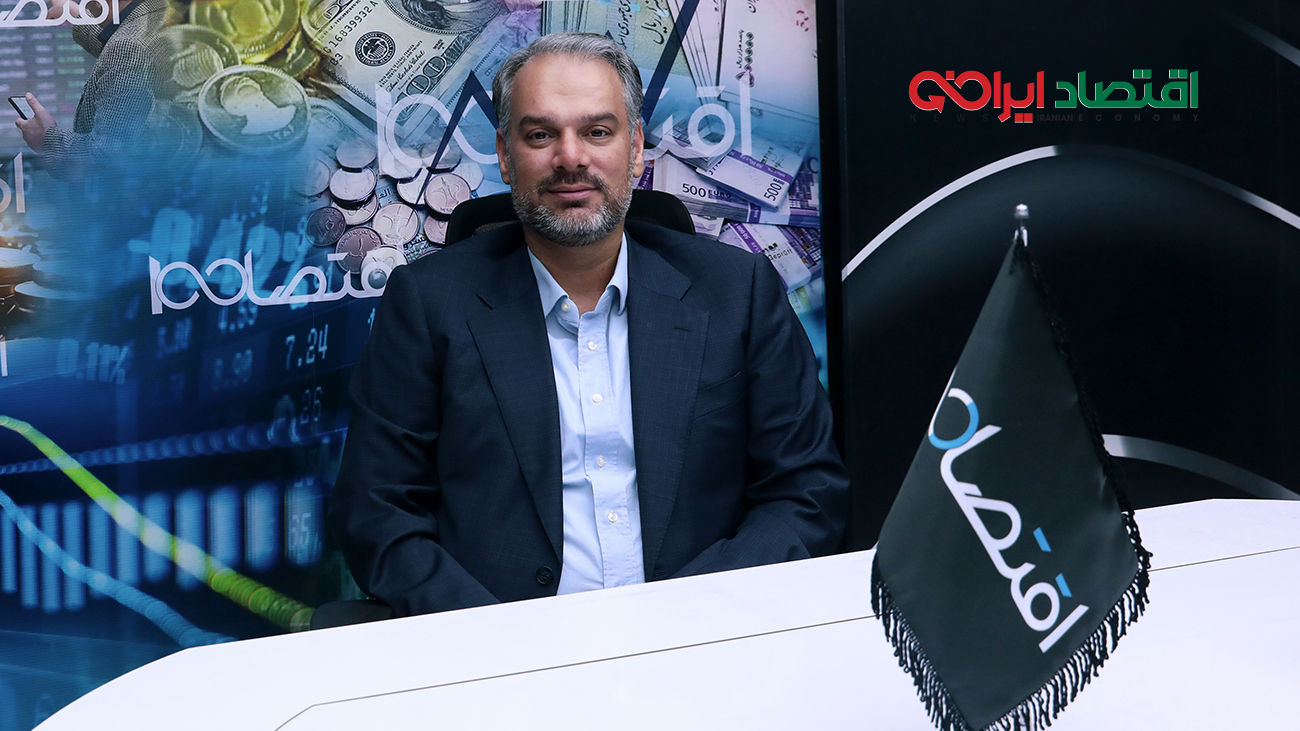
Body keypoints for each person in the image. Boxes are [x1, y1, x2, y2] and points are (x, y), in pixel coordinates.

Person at [328, 32, 848, 617]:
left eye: (598, 132)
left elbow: (806, 492)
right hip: (502, 651)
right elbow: (377, 514)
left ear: (636, 150)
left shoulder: (737, 291)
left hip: (704, 636)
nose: (570, 157)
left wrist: (691, 619)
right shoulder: (427, 304)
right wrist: (497, 641)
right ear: (505, 155)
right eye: (540, 135)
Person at [13, 0, 166, 174]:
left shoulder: (129, 46)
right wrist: (79, 16)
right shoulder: (167, 18)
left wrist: (47, 140)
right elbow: (132, 54)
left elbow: (107, 157)